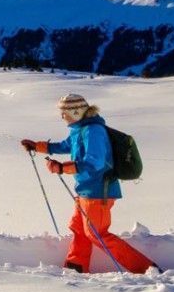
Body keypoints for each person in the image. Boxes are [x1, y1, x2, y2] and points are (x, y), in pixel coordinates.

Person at [20, 93, 158, 274]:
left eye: (65, 113)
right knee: (79, 229)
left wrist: (62, 168)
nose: (62, 117)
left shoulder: (93, 131)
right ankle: (76, 268)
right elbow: (64, 146)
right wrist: (36, 146)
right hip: (86, 190)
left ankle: (146, 269)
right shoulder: (79, 129)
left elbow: (95, 162)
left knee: (97, 234)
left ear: (76, 112)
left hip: (99, 191)